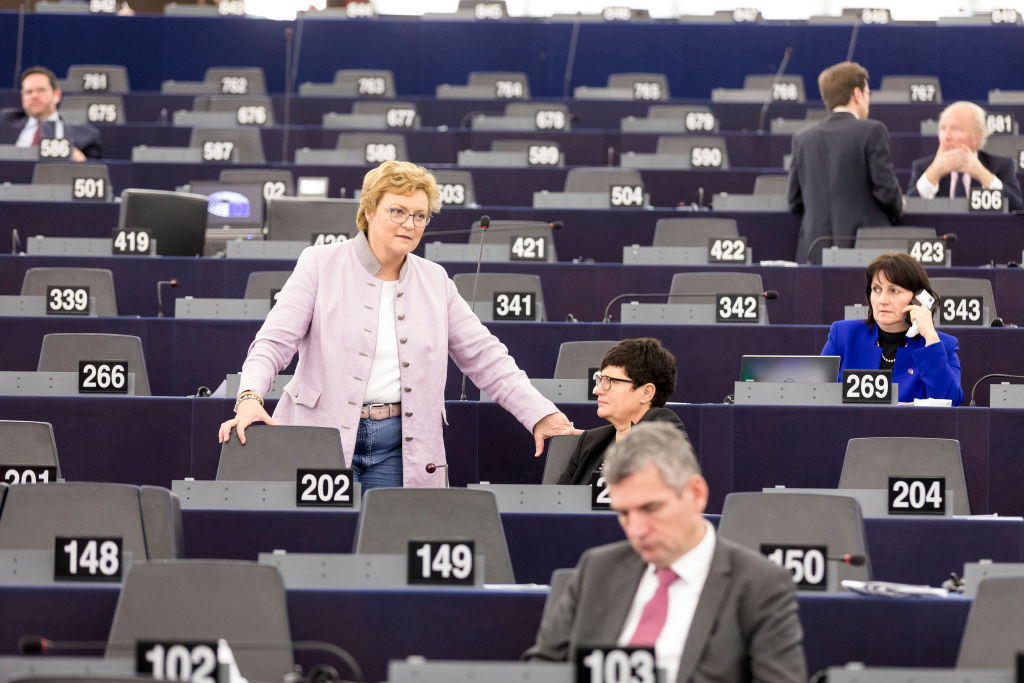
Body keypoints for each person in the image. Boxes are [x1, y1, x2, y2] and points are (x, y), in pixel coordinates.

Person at [218, 160, 573, 489]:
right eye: (398, 211)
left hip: (400, 447)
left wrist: (541, 414)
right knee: (321, 533)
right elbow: (272, 344)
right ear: (369, 211)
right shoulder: (318, 263)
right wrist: (249, 397)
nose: (410, 224)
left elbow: (487, 358)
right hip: (319, 436)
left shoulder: (436, 280)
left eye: (420, 216)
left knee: (390, 534)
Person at [525, 422, 807, 682]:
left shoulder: (759, 585)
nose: (637, 530)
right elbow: (540, 671)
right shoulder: (597, 569)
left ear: (695, 494)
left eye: (651, 509)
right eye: (624, 514)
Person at [787, 61, 903, 264]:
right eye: (868, 93)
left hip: (814, 251)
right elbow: (887, 192)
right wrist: (899, 205)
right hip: (863, 251)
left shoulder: (803, 138)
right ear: (857, 94)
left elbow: (794, 200)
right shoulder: (873, 131)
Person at [822, 252, 963, 404]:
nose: (882, 300)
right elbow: (816, 395)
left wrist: (930, 337)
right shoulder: (843, 335)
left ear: (918, 299)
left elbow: (949, 403)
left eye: (894, 291)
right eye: (876, 289)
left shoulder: (941, 346)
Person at [556, 338, 690, 485]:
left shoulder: (665, 424)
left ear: (646, 392)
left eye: (610, 381)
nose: (597, 390)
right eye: (600, 380)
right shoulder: (590, 442)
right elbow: (559, 496)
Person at [907, 101, 1023, 211]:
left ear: (976, 137)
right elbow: (909, 210)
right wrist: (934, 172)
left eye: (956, 129)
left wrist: (982, 174)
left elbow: (1016, 209)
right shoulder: (923, 167)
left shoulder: (1000, 166)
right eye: (943, 128)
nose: (946, 137)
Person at [0, 66, 102, 161]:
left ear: (57, 95)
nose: (34, 96)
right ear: (23, 99)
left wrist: (81, 162)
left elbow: (94, 169)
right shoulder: (4, 122)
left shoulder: (86, 135)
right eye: (29, 92)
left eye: (41, 90)